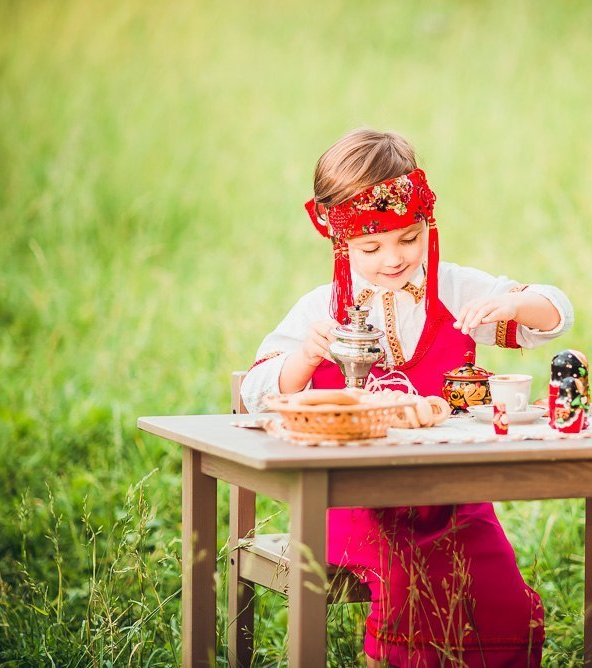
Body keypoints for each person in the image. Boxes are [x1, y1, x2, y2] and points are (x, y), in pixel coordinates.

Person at [241, 128, 574, 667]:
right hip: (355, 498)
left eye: (409, 239)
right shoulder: (321, 308)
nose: (393, 259)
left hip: (451, 493)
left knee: (501, 590)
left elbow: (555, 316)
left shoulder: (454, 288)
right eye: (371, 247)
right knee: (408, 579)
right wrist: (306, 356)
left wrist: (515, 307)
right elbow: (256, 395)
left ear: (427, 226)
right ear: (339, 241)